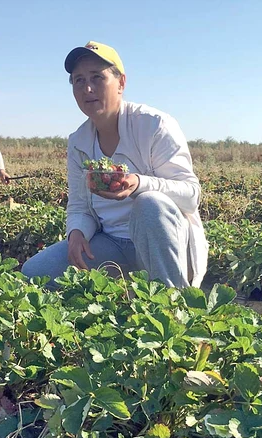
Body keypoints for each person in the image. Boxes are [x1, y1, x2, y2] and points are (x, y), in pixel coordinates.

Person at [21, 41, 208, 289]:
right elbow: (79, 205)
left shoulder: (154, 125)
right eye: (78, 80)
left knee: (149, 203)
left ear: (121, 83)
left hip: (161, 245)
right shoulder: (78, 142)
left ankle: (172, 302)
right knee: (36, 272)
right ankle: (124, 291)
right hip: (112, 243)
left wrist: (140, 183)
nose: (87, 88)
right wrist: (76, 232)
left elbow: (191, 195)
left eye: (98, 77)